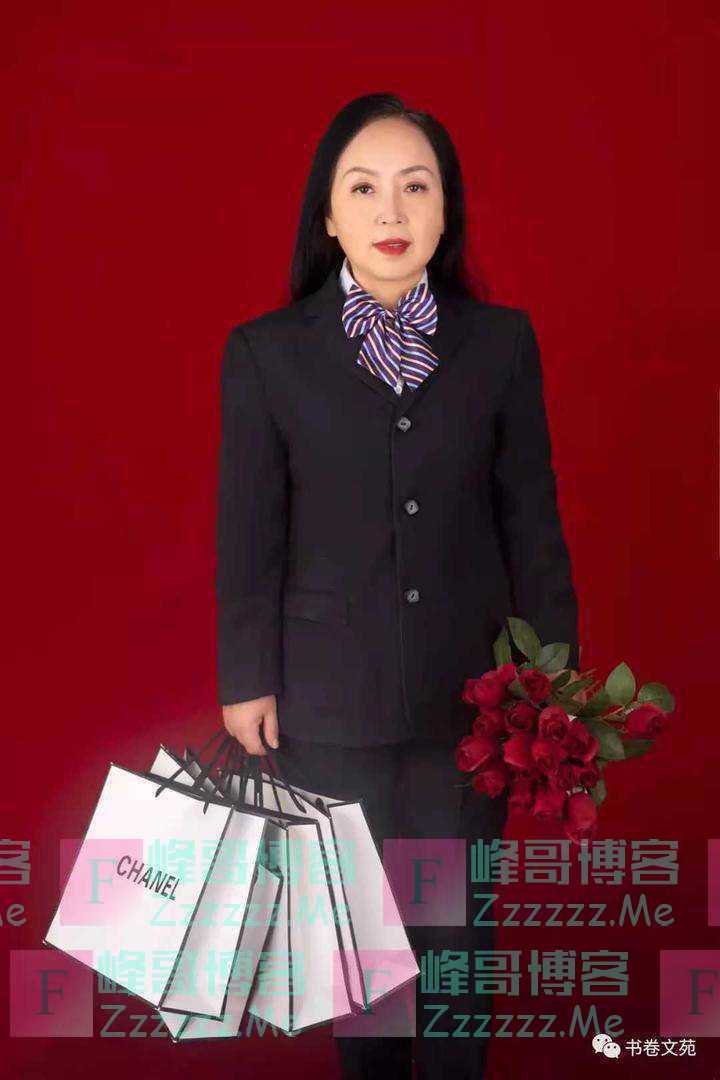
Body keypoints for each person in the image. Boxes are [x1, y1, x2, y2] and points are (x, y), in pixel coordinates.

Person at [215, 93, 579, 1079]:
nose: (391, 210)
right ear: (329, 216)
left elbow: (531, 520)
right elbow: (250, 532)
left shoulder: (499, 345)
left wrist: (554, 679)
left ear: (445, 211)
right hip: (327, 707)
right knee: (363, 978)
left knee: (458, 967)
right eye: (364, 188)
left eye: (416, 188)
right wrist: (246, 677)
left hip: (477, 710)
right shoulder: (268, 355)